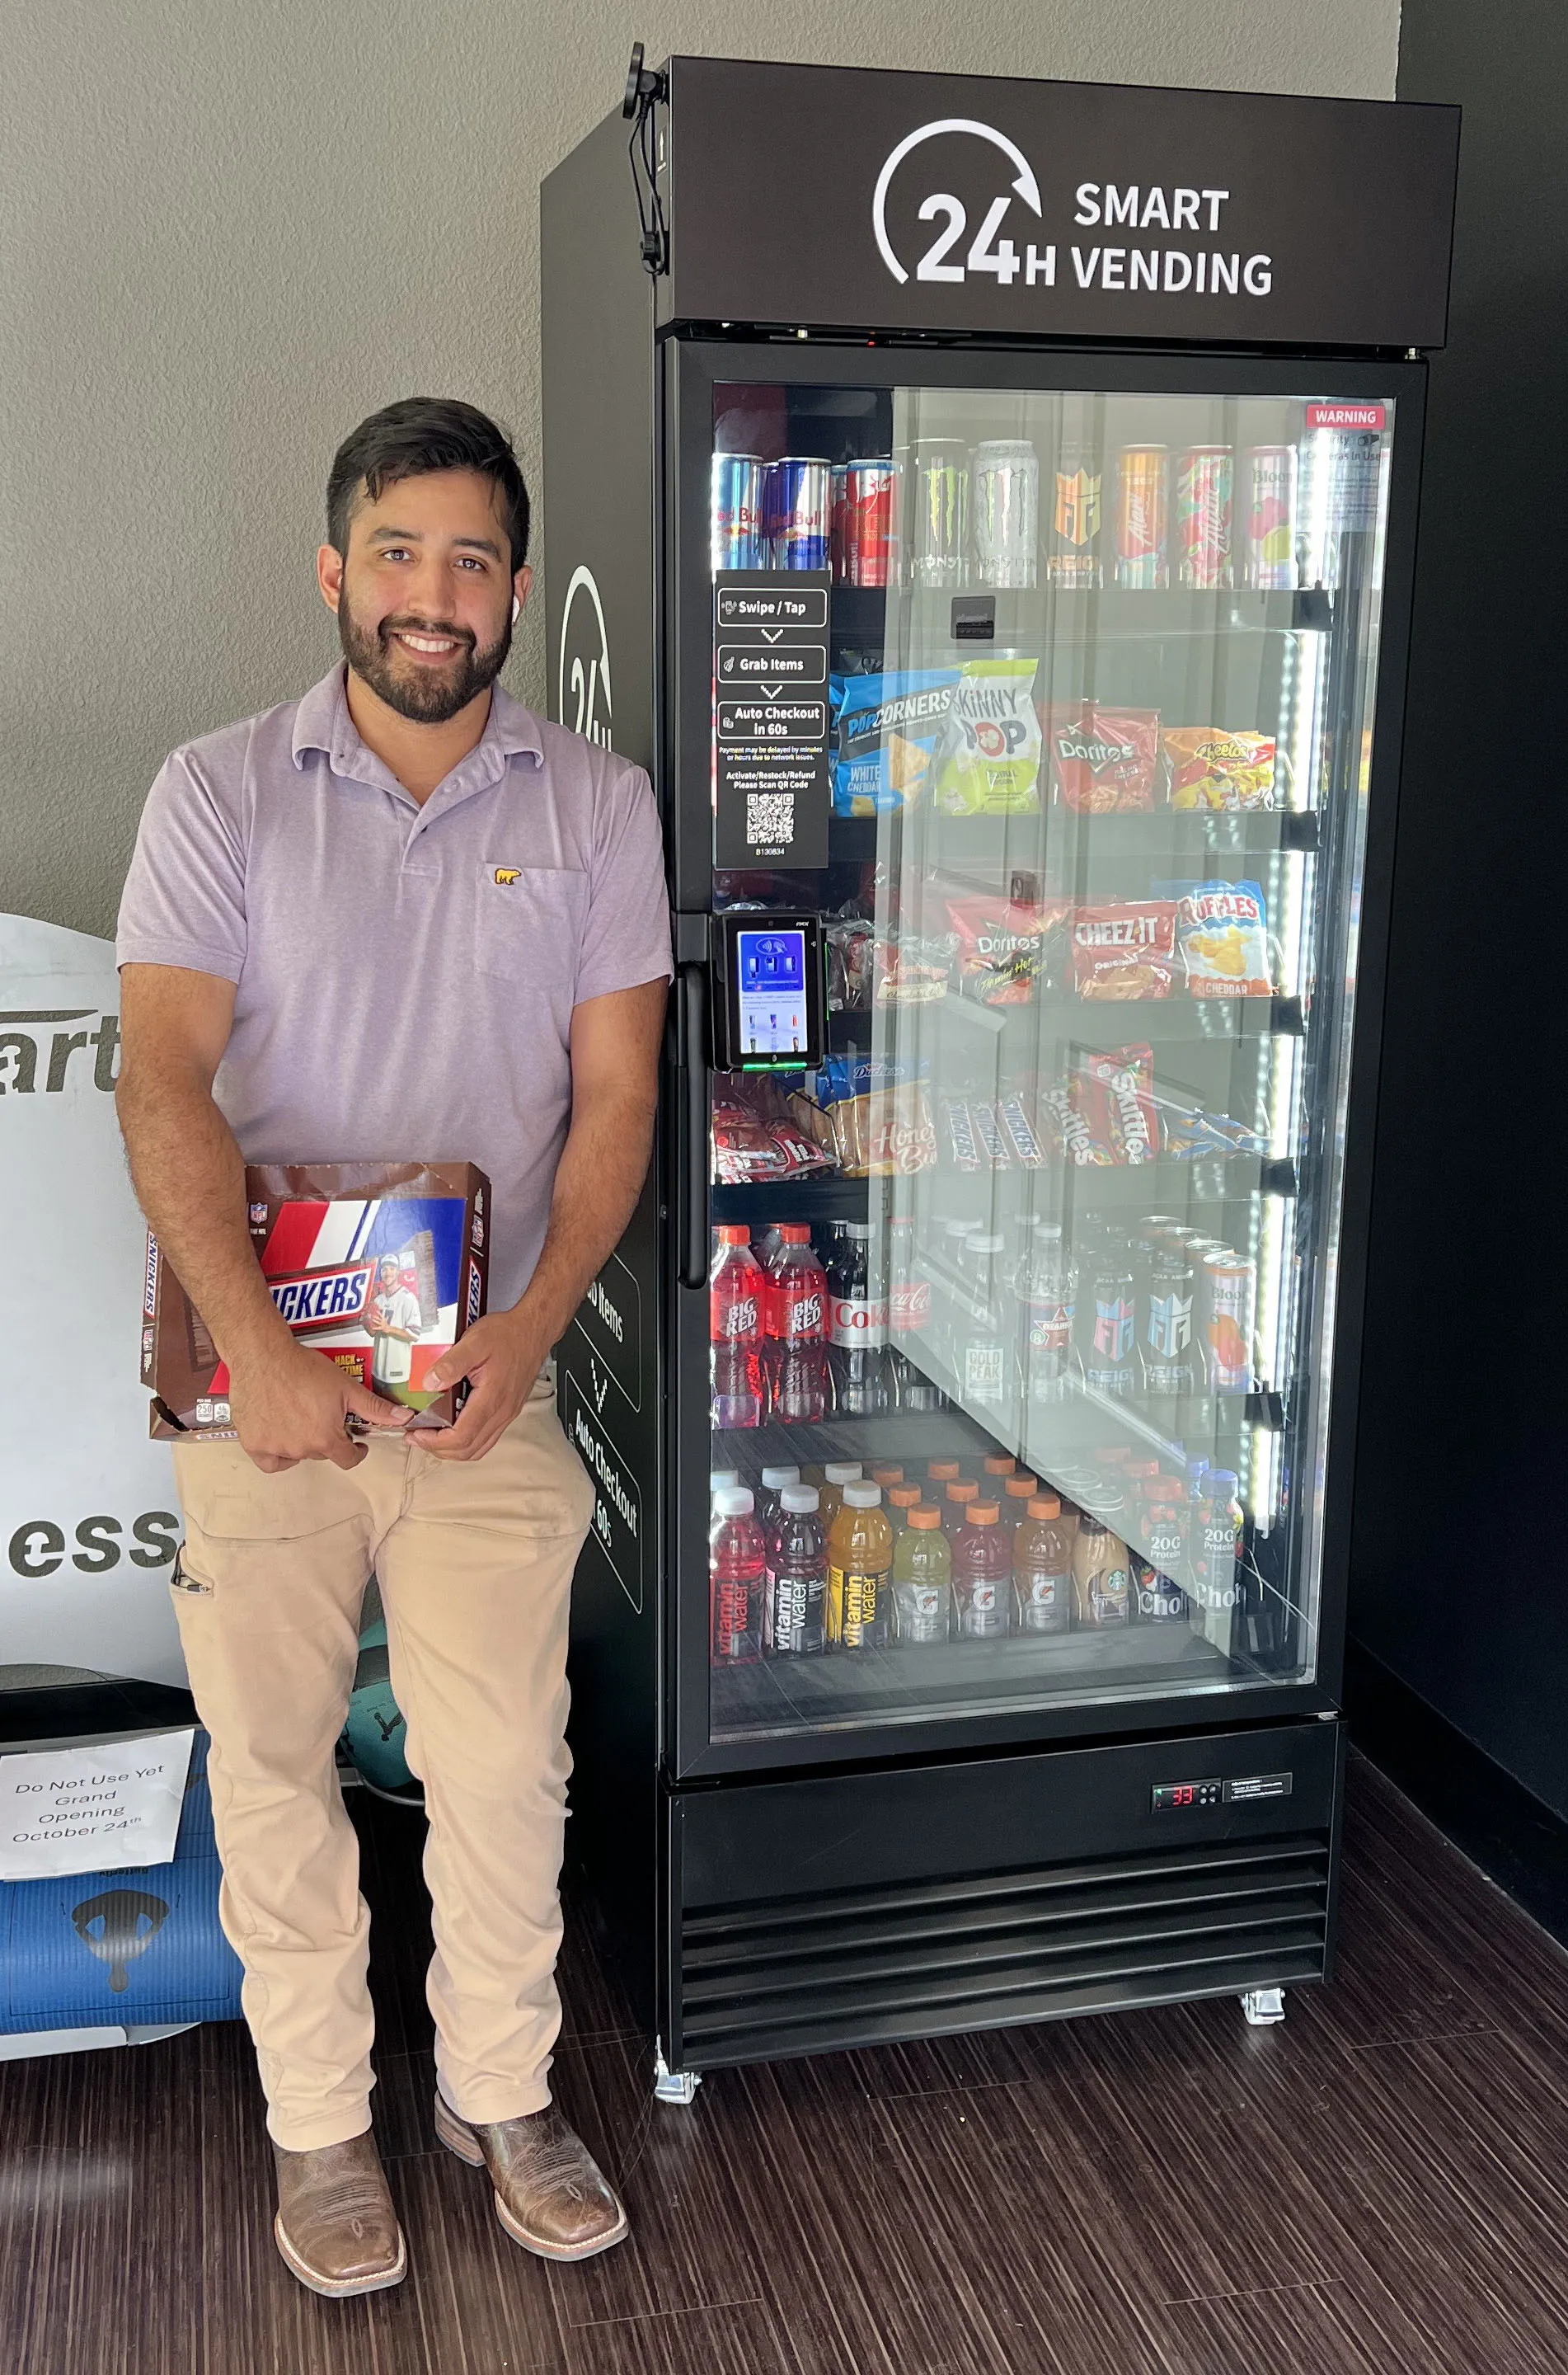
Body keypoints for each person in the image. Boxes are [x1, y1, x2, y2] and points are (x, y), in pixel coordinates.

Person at [114, 397, 671, 2297]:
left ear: (514, 588)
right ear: (335, 569)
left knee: (506, 1760)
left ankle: (497, 2093)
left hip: (481, 1370)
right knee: (272, 1757)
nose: (436, 594)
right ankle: (323, 2124)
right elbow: (163, 1078)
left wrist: (534, 1326)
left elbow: (614, 1103)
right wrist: (258, 1343)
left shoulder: (596, 806)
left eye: (473, 560)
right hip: (259, 1376)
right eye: (400, 553)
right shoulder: (216, 792)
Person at [366, 1253, 423, 1393]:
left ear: (398, 1272)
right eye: (384, 1269)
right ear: (381, 1273)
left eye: (392, 1269)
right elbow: (373, 1333)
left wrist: (389, 1328)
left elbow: (415, 1334)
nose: (388, 1273)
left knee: (396, 1407)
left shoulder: (408, 1299)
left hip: (398, 1374)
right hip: (377, 1371)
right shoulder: (378, 1300)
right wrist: (365, 1322)